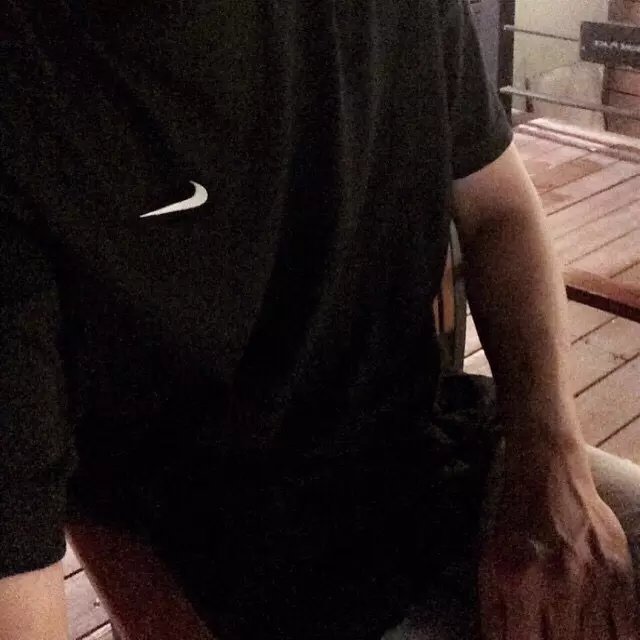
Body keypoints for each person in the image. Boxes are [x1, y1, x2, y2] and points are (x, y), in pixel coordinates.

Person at [1, 1, 639, 639]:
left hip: (439, 471)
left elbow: (497, 208)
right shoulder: (29, 77)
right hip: (219, 577)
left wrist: (549, 453)